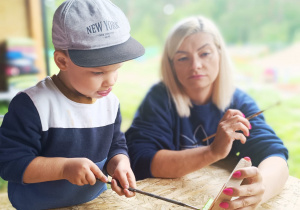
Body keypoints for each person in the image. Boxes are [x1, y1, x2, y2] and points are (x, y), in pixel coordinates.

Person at [126, 16, 289, 209]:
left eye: (204, 54)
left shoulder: (238, 102)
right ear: (171, 64)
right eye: (183, 57)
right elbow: (141, 159)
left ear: (219, 54)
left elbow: (275, 155)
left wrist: (260, 191)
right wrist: (212, 152)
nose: (195, 65)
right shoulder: (160, 100)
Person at [0, 0, 144, 209]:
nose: (111, 81)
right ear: (62, 61)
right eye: (98, 72)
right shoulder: (32, 105)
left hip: (94, 202)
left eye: (117, 68)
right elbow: (9, 163)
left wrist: (120, 163)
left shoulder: (110, 102)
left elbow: (115, 144)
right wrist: (64, 168)